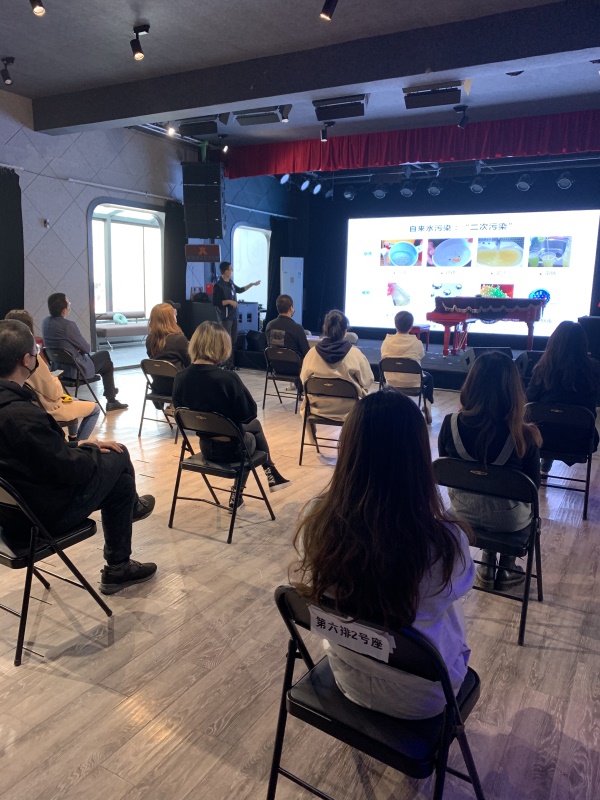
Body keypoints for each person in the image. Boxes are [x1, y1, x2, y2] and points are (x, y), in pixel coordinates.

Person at [292, 389, 474, 720]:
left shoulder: (316, 521)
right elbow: (458, 589)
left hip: (348, 674)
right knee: (446, 603)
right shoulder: (445, 541)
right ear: (418, 457)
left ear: (349, 449)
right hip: (424, 697)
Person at [0, 319, 157, 595]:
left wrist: (79, 445)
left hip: (11, 513)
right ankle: (132, 511)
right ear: (26, 360)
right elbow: (72, 470)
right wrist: (90, 450)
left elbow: (39, 456)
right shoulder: (21, 416)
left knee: (120, 485)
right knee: (119, 453)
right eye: (36, 353)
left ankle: (118, 568)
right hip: (40, 518)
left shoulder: (14, 407)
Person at [438, 351, 542, 591]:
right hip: (509, 521)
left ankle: (486, 564)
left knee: (480, 489)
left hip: (462, 513)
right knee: (512, 504)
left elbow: (446, 469)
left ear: (471, 384)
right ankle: (506, 567)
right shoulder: (525, 434)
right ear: (514, 389)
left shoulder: (450, 424)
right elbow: (532, 489)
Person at [173, 321, 291, 508]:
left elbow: (181, 415)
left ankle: (270, 474)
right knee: (251, 435)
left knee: (250, 430)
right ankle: (252, 483)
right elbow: (249, 415)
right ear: (222, 346)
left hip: (205, 447)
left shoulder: (180, 378)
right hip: (233, 451)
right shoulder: (228, 379)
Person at [5, 309, 101, 442]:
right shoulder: (33, 359)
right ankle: (78, 444)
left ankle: (73, 438)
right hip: (47, 408)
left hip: (30, 405)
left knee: (73, 400)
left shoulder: (8, 358)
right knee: (95, 408)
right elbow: (54, 393)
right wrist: (54, 378)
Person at [526, 320, 600, 473]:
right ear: (583, 344)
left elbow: (529, 399)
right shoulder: (593, 369)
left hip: (542, 438)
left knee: (547, 417)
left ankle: (541, 463)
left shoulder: (543, 368)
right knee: (565, 420)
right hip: (580, 440)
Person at [42, 293, 127, 411]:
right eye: (68, 302)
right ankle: (111, 398)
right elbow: (86, 348)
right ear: (64, 310)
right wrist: (77, 349)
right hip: (75, 370)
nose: (69, 304)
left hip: (58, 370)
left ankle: (110, 391)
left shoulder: (46, 322)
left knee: (105, 360)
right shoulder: (68, 325)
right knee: (105, 356)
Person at [300, 309, 373, 421]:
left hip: (317, 408)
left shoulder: (311, 353)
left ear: (325, 328)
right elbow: (367, 381)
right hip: (350, 410)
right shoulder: (355, 354)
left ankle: (312, 434)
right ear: (345, 331)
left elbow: (304, 380)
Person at [380, 310, 435, 424]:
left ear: (395, 324)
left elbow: (383, 356)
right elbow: (421, 355)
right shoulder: (416, 343)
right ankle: (427, 405)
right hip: (413, 383)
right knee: (429, 377)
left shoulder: (386, 342)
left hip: (391, 382)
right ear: (411, 326)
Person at [212, 261, 261, 369]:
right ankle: (224, 363)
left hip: (234, 315)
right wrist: (229, 301)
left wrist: (252, 284)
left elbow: (239, 290)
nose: (232, 271)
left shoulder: (230, 283)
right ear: (226, 271)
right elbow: (215, 302)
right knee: (226, 340)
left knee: (233, 340)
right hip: (225, 317)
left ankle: (231, 363)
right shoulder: (218, 286)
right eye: (231, 269)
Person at [145, 302, 190, 396]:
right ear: (170, 318)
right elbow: (190, 362)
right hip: (179, 387)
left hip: (158, 387)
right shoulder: (178, 340)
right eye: (173, 313)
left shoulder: (149, 339)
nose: (176, 314)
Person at [266, 294, 310, 360]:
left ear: (277, 308)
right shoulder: (297, 328)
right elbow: (306, 352)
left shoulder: (269, 325)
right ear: (291, 308)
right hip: (294, 364)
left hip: (275, 363)